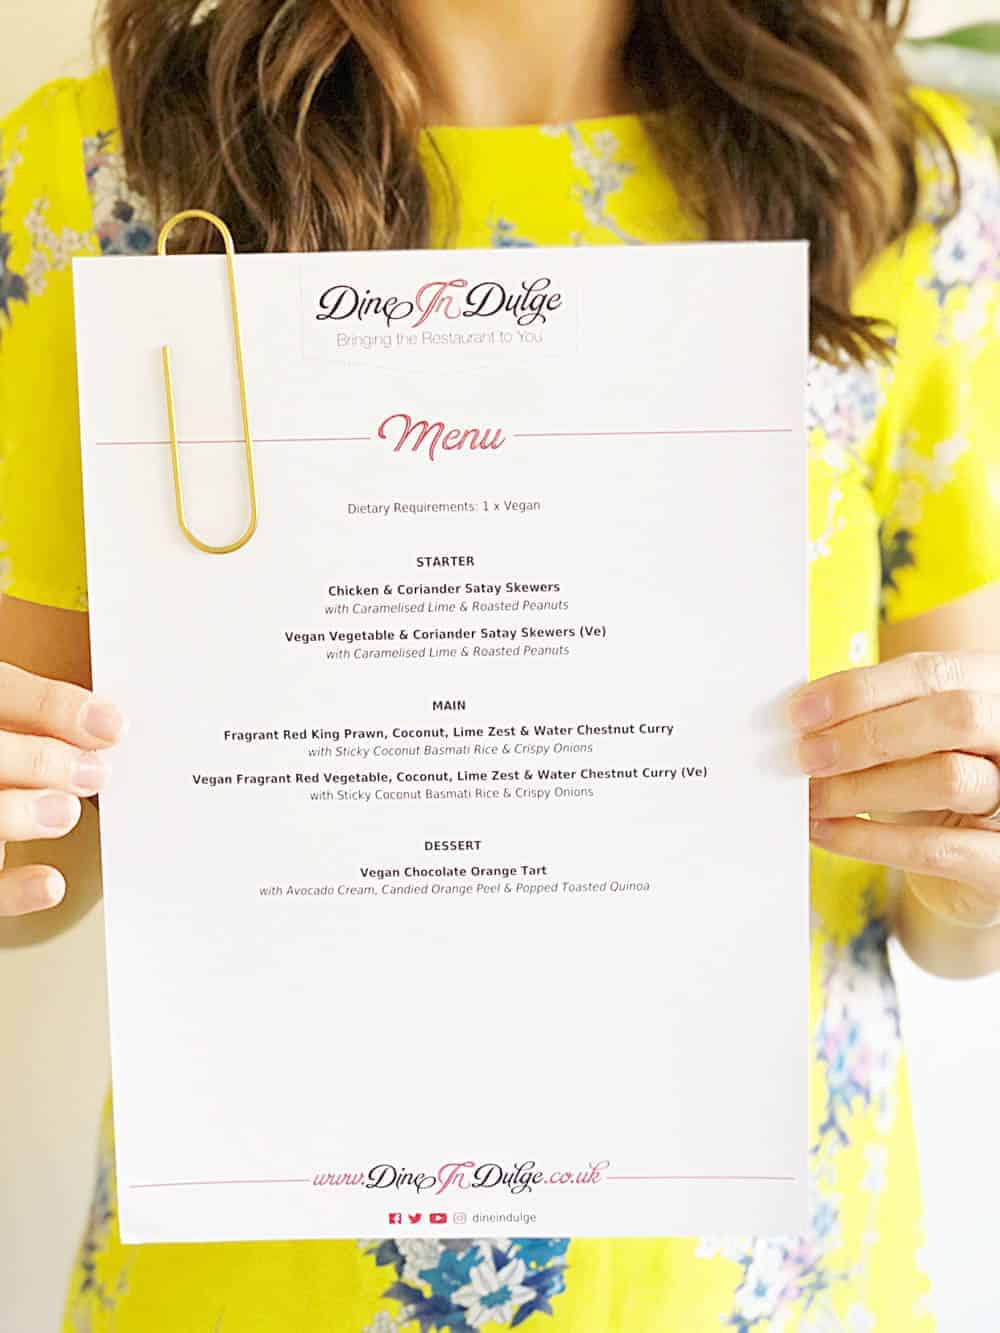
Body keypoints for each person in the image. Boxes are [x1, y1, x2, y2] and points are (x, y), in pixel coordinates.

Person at [2, 1, 1000, 1328]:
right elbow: (47, 865)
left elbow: (949, 884)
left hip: (757, 1280)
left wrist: (977, 866)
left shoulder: (893, 180)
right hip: (263, 1275)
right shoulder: (104, 175)